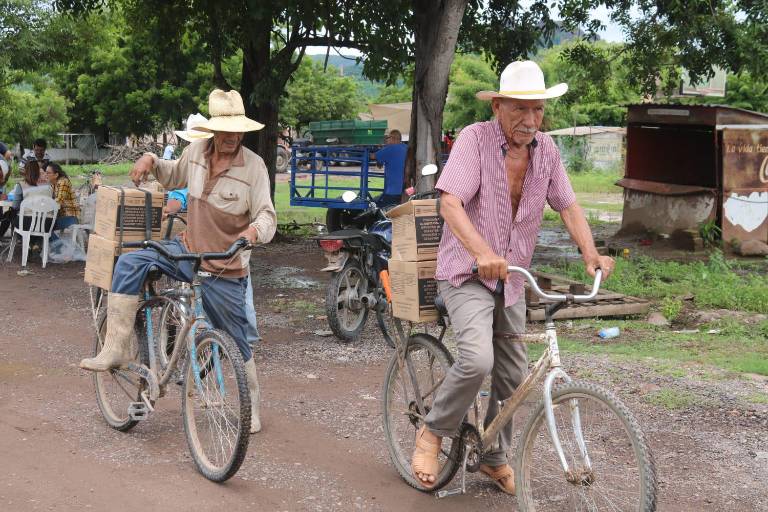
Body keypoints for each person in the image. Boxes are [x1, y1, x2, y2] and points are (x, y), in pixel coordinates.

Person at [410, 61, 615, 493]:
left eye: (537, 110)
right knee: (477, 359)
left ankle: (493, 454)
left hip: (513, 278)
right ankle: (432, 431)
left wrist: (590, 252)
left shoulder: (547, 151)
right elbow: (450, 204)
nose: (530, 120)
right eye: (520, 109)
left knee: (514, 376)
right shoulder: (475, 140)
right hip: (466, 273)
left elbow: (568, 205)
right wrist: (482, 252)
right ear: (498, 106)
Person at [79, 89, 276, 435]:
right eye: (224, 129)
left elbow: (267, 217)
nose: (231, 137)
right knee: (130, 262)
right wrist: (151, 160)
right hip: (187, 254)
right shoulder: (196, 152)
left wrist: (251, 234)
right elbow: (172, 175)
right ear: (213, 130)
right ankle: (117, 347)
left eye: (237, 130)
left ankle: (251, 407)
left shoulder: (254, 168)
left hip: (223, 266)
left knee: (237, 339)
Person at [0, 161, 52, 236]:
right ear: (38, 170)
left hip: (27, 223)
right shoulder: (48, 186)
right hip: (47, 223)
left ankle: (19, 239)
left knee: (9, 214)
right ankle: (34, 243)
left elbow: (15, 206)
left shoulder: (21, 185)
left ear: (25, 172)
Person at [371, 129, 407, 203]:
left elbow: (373, 156)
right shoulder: (406, 147)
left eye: (388, 138)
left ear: (392, 138)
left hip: (393, 191)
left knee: (379, 209)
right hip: (407, 191)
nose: (387, 140)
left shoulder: (390, 148)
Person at [45, 162, 80, 235]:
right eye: (45, 172)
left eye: (48, 173)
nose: (45, 175)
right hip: (63, 216)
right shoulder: (53, 184)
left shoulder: (63, 182)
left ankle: (58, 245)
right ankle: (53, 244)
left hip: (71, 218)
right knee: (42, 223)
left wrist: (44, 206)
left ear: (56, 175)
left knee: (44, 224)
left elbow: (58, 201)